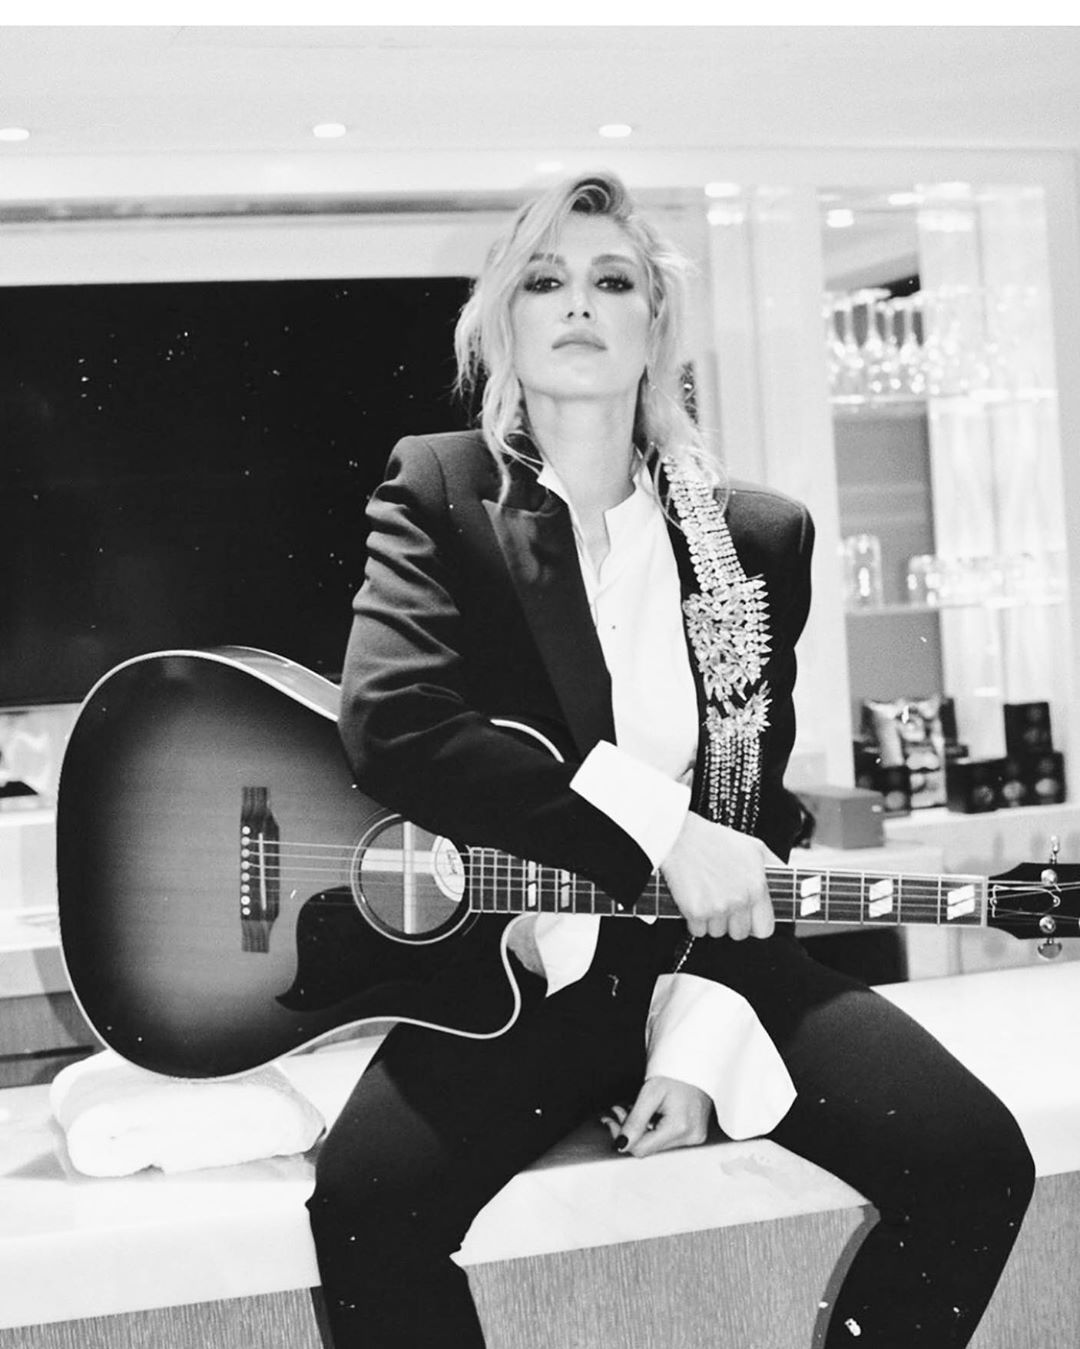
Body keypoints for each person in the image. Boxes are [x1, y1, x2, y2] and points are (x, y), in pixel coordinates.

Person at [307, 171, 1034, 1348]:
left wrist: (697, 1047)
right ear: (503, 322)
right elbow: (394, 722)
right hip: (521, 973)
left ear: (655, 324)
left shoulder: (756, 536)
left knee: (975, 1160)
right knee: (364, 1203)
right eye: (545, 280)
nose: (577, 302)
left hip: (713, 956)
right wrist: (661, 823)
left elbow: (757, 827)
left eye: (612, 280)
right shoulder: (443, 489)